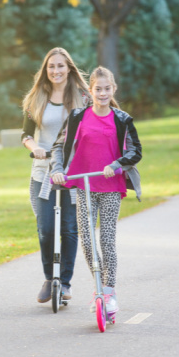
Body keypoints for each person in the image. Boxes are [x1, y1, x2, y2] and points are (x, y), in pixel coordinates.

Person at [50, 66, 142, 315]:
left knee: (107, 240)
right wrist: (58, 170)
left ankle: (109, 294)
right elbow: (58, 146)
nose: (103, 93)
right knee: (88, 243)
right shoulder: (78, 117)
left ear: (114, 89)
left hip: (111, 187)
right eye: (98, 89)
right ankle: (98, 287)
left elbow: (135, 152)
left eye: (107, 89)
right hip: (85, 185)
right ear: (90, 91)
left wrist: (116, 165)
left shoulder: (122, 119)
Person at [21, 47, 90, 303]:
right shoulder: (35, 97)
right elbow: (25, 134)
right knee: (46, 229)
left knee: (70, 229)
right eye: (51, 67)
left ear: (69, 68)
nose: (56, 71)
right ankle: (51, 278)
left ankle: (66, 283)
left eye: (61, 66)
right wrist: (35, 148)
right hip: (43, 173)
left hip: (74, 173)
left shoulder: (84, 98)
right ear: (45, 70)